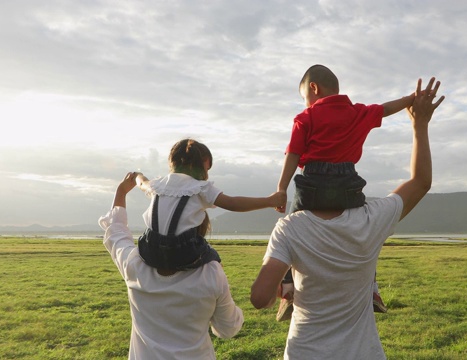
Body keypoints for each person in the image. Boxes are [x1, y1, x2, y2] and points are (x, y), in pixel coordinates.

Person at [251, 77, 445, 359]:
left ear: (313, 88)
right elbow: (420, 181)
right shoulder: (372, 219)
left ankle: (290, 283)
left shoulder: (289, 228)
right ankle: (373, 289)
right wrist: (419, 122)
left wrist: (276, 293)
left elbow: (259, 298)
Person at [274, 64, 418, 320]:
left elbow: (294, 154)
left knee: (290, 229)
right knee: (367, 234)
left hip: (312, 185)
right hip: (348, 185)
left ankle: (287, 289)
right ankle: (371, 288)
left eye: (305, 97)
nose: (306, 103)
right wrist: (411, 99)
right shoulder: (357, 112)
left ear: (314, 88)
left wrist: (281, 188)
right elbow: (385, 109)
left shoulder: (305, 118)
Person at [99, 171, 244, 359]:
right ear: (200, 231)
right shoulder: (211, 273)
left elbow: (116, 233)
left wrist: (121, 192)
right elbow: (228, 329)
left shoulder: (134, 265)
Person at [134, 138, 286, 272]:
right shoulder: (200, 187)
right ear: (199, 164)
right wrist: (269, 201)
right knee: (214, 259)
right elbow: (233, 203)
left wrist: (136, 175)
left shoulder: (158, 185)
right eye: (207, 168)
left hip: (149, 249)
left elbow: (142, 183)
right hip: (182, 252)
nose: (207, 173)